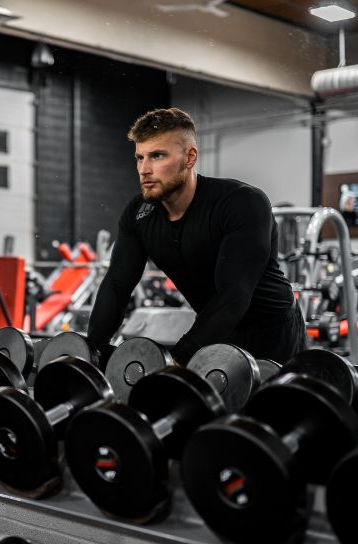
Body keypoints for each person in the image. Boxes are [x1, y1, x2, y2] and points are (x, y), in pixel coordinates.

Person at [87, 107, 304, 367]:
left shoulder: (241, 202)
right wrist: (93, 351)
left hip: (272, 332)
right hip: (213, 328)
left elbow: (234, 295)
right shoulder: (138, 214)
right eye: (139, 157)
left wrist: (179, 358)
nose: (144, 169)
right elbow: (117, 285)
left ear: (189, 158)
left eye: (157, 156)